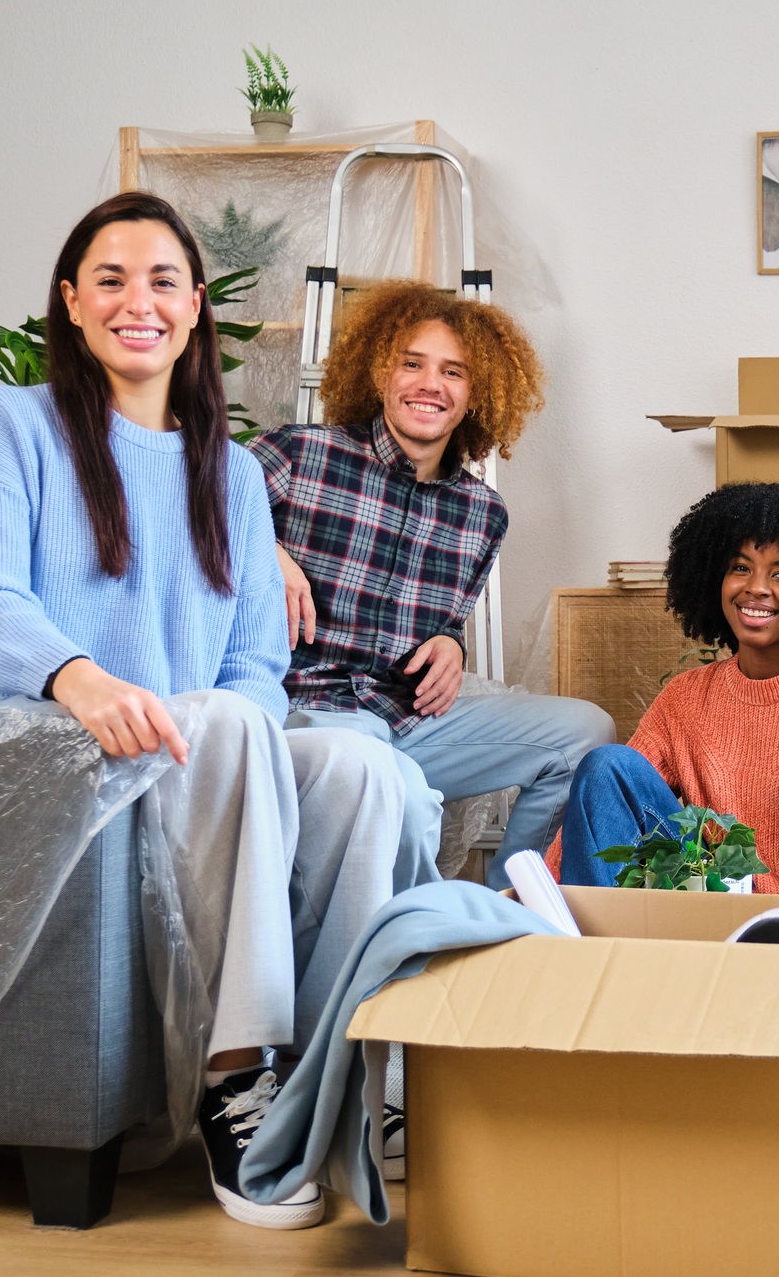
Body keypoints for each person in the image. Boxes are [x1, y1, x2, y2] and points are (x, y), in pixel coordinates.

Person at [0, 193, 418, 1231]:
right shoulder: (10, 426)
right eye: (109, 280)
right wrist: (79, 677)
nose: (136, 303)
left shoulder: (229, 471)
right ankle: (239, 1079)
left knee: (362, 766)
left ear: (195, 306)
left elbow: (254, 664)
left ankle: (337, 1075)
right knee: (234, 728)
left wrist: (215, 742)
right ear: (71, 302)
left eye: (161, 282)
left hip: (185, 752)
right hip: (53, 746)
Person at [250, 281, 613, 890]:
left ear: (477, 393)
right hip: (305, 715)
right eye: (411, 364)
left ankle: (509, 905)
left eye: (453, 371)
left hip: (403, 718)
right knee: (410, 804)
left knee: (585, 734)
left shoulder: (482, 514)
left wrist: (451, 644)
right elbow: (185, 522)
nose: (430, 384)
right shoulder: (297, 454)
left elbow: (441, 621)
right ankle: (419, 931)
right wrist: (263, 550)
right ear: (380, 373)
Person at [548, 483, 779, 899]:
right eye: (740, 568)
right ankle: (579, 930)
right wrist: (540, 889)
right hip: (708, 901)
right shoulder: (687, 697)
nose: (756, 587)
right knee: (608, 766)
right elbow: (601, 805)